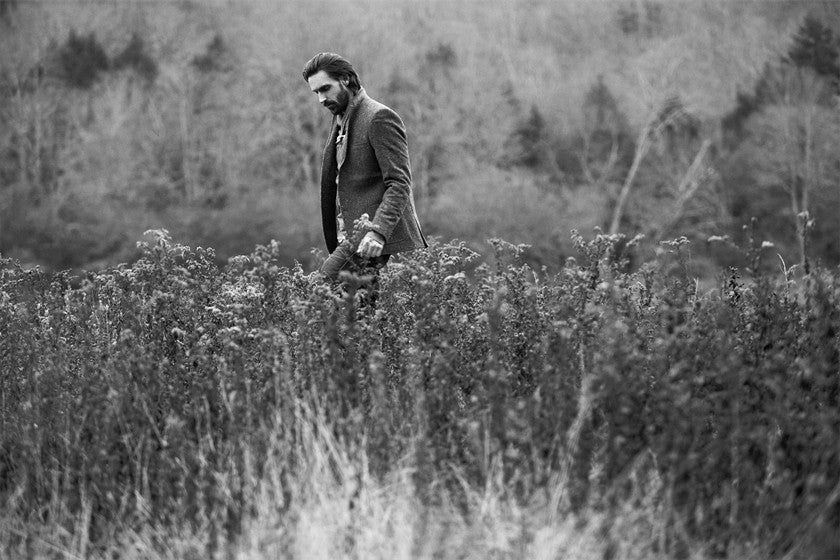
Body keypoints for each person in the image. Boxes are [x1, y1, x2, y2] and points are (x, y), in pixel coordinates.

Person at [302, 53, 427, 281]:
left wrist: (378, 232)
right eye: (316, 92)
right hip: (346, 236)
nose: (321, 99)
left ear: (346, 79)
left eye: (325, 89)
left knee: (319, 291)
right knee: (359, 303)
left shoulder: (379, 117)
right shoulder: (340, 118)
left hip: (366, 237)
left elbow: (399, 183)